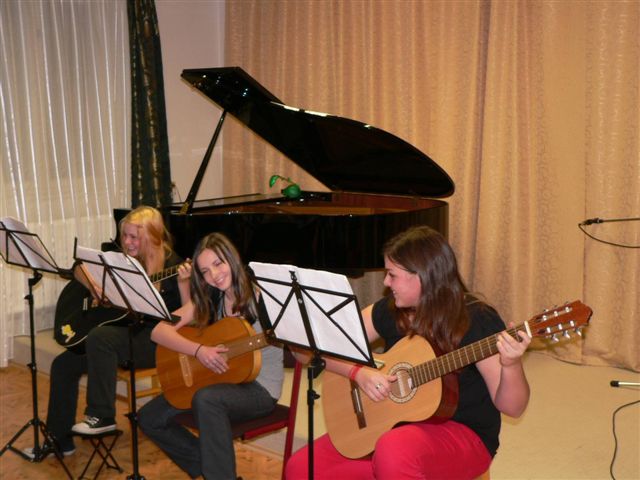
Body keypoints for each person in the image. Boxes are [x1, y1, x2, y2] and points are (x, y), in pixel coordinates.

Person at [285, 225, 531, 480]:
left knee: (393, 452)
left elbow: (513, 408)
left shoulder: (476, 319)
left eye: (392, 275)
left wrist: (511, 364)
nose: (385, 282)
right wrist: (358, 373)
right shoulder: (390, 310)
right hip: (391, 425)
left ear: (422, 276)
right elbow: (314, 349)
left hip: (462, 433)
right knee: (301, 469)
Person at [25, 206, 190, 458]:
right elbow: (78, 267)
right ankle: (59, 441)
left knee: (100, 338)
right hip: (117, 338)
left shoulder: (174, 266)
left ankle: (101, 415)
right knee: (62, 365)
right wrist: (95, 288)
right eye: (125, 235)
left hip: (154, 341)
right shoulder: (121, 259)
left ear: (152, 237)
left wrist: (184, 284)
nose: (127, 242)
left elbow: (185, 318)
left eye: (135, 237)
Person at [138, 232, 284, 480]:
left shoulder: (263, 298)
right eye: (205, 271)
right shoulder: (211, 295)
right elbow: (158, 331)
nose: (214, 275)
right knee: (149, 417)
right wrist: (198, 351)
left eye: (218, 264)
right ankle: (214, 469)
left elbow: (299, 349)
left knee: (206, 400)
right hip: (219, 381)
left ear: (232, 258)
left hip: (260, 388)